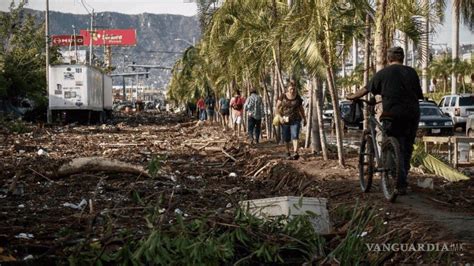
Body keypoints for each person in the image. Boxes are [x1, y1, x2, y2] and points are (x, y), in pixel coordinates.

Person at [347, 47, 423, 195]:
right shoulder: (411, 72)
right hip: (412, 113)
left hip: (392, 114)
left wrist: (352, 97)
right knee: (407, 146)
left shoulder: (383, 73)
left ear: (388, 59)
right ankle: (402, 180)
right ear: (403, 58)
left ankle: (395, 179)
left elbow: (366, 89)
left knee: (393, 143)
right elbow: (419, 95)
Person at [276, 80, 307, 160]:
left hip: (296, 119)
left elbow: (301, 109)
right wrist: (279, 116)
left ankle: (295, 152)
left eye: (293, 89)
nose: (292, 90)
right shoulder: (283, 96)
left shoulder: (297, 97)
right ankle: (287, 152)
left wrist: (304, 118)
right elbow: (277, 107)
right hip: (285, 120)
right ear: (287, 89)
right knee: (286, 137)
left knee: (295, 135)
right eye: (291, 89)